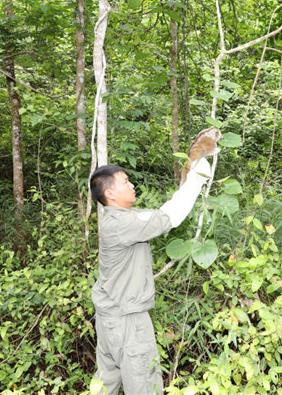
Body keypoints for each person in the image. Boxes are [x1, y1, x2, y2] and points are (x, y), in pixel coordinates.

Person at [89, 157, 212, 395]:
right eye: (125, 182)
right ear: (111, 194)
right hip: (128, 320)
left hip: (109, 319)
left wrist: (187, 180)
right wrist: (196, 180)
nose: (132, 185)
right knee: (144, 385)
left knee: (106, 384)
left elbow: (159, 213)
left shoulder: (119, 219)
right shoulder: (122, 223)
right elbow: (169, 218)